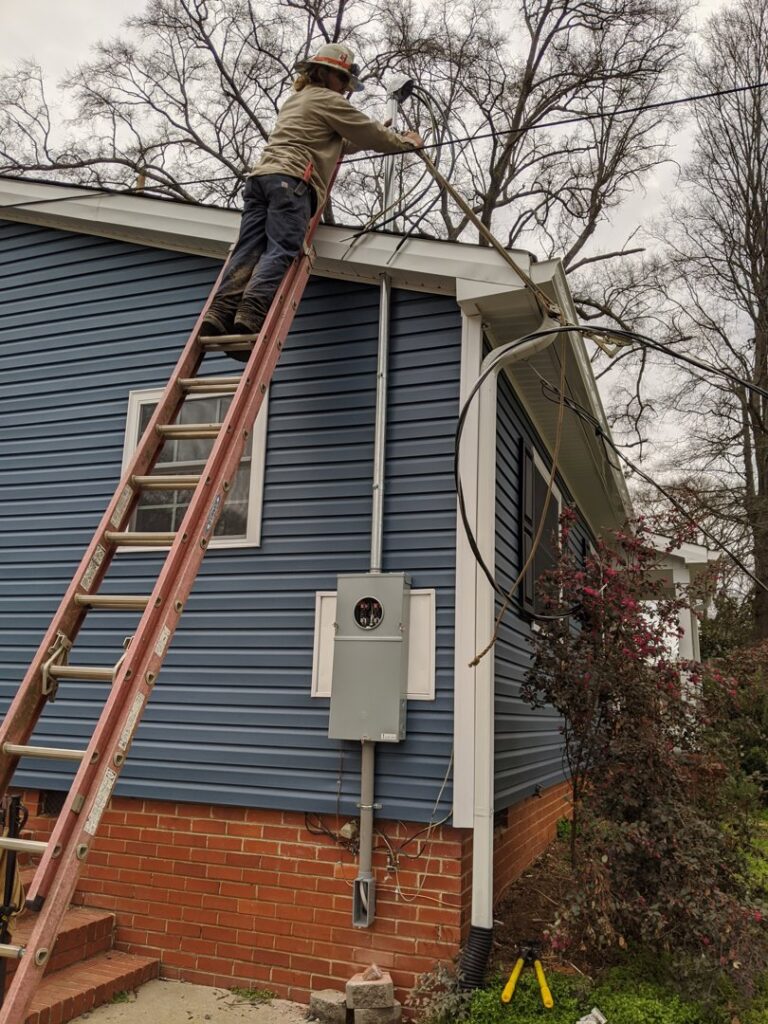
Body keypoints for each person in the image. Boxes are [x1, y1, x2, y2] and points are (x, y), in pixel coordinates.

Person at [201, 43, 423, 349]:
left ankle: (220, 310)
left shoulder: (297, 100)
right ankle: (251, 311)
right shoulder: (328, 99)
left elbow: (340, 142)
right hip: (292, 183)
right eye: (344, 80)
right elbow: (369, 133)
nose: (345, 88)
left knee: (248, 248)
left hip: (260, 180)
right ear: (325, 74)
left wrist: (372, 134)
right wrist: (405, 142)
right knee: (281, 248)